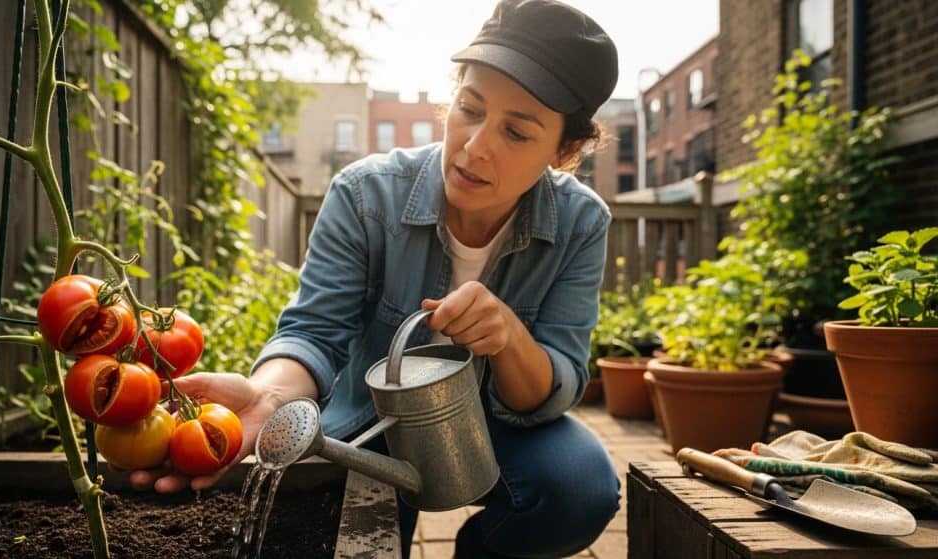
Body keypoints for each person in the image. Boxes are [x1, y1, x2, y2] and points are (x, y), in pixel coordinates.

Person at [132, 0, 621, 556]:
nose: (476, 145)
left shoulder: (582, 223)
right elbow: (314, 331)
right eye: (470, 107)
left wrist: (508, 336)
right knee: (346, 531)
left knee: (580, 488)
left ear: (565, 150)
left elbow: (554, 385)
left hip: (498, 428)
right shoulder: (366, 195)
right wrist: (270, 397)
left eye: (516, 132)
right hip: (374, 426)